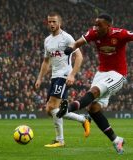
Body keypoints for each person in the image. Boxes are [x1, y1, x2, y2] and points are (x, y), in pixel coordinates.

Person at [56, 13, 133, 154]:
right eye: (95, 24)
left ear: (109, 26)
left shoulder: (120, 34)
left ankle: (69, 109)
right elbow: (78, 42)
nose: (96, 27)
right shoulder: (94, 33)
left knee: (95, 91)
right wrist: (71, 48)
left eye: (99, 25)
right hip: (101, 73)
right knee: (93, 108)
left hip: (117, 74)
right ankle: (117, 140)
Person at [35, 12, 91, 148]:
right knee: (51, 110)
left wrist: (72, 75)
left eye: (54, 21)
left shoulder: (66, 38)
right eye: (49, 22)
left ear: (59, 23)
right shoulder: (47, 40)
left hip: (64, 75)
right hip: (54, 77)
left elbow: (79, 56)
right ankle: (83, 120)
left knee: (52, 107)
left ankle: (60, 140)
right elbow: (46, 61)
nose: (51, 24)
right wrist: (39, 78)